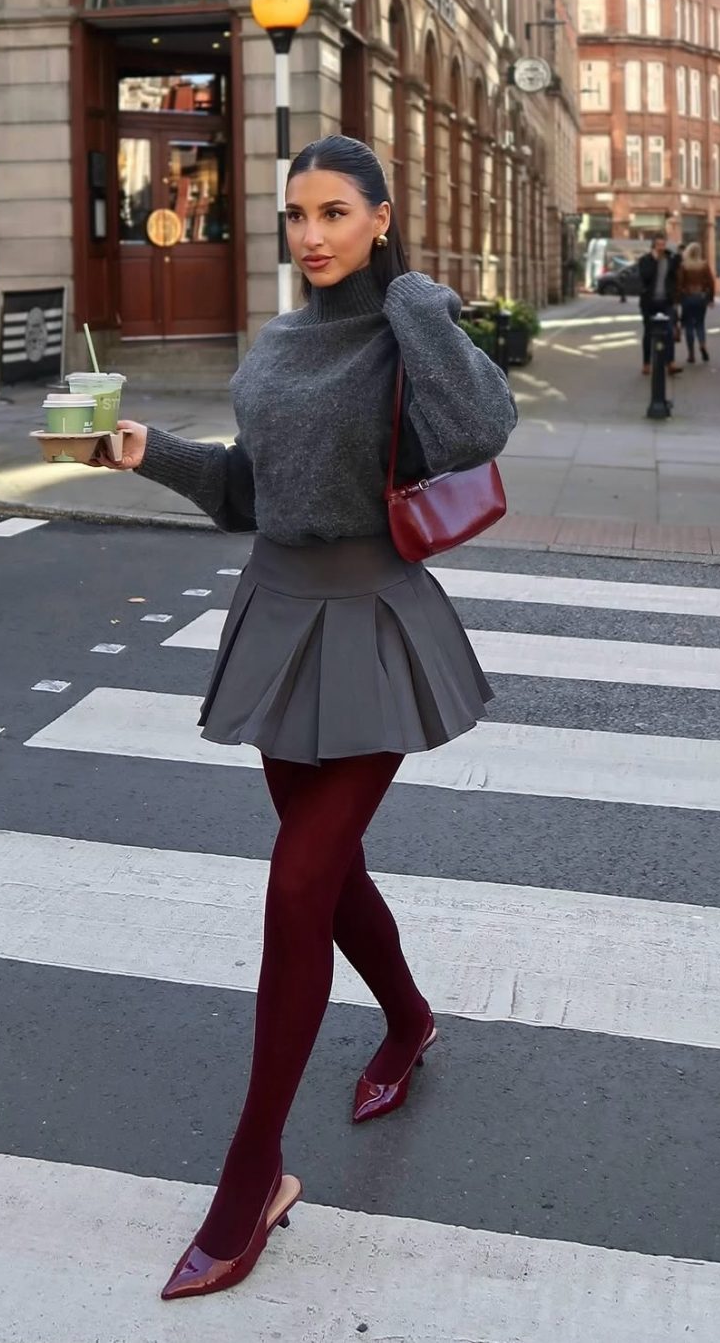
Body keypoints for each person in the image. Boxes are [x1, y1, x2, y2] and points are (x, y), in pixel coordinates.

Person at [93, 134, 517, 1302]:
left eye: (337, 211)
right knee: (325, 873)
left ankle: (252, 1175)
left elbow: (482, 429)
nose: (313, 234)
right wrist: (149, 454)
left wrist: (418, 301)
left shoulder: (405, 332)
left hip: (371, 622)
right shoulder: (276, 345)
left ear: (380, 218)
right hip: (279, 616)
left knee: (293, 888)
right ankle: (411, 1017)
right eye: (296, 214)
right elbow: (248, 489)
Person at [637, 233, 682, 375]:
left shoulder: (669, 259)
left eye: (663, 245)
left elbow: (677, 272)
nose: (661, 248)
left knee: (669, 331)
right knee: (649, 332)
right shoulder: (645, 260)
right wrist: (655, 260)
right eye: (659, 245)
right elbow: (646, 277)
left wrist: (675, 299)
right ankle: (646, 363)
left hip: (666, 302)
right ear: (653, 246)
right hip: (649, 302)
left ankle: (670, 363)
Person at [675, 242, 715, 364]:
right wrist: (710, 298)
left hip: (687, 297)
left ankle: (691, 354)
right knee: (700, 323)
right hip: (701, 297)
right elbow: (711, 282)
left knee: (688, 326)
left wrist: (677, 299)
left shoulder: (684, 266)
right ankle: (702, 345)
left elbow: (679, 283)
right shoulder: (704, 265)